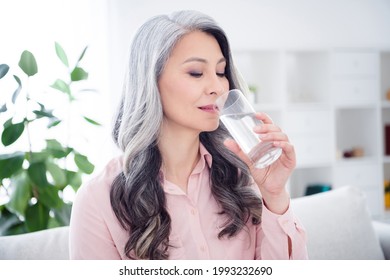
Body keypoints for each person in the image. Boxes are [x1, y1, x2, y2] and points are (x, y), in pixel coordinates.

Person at [69, 10, 308, 260]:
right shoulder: (98, 200)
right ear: (150, 81)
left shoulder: (241, 176)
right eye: (196, 73)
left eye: (220, 72)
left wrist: (274, 194)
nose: (217, 87)